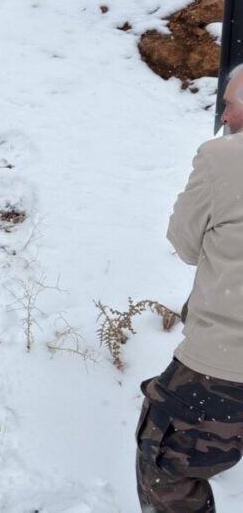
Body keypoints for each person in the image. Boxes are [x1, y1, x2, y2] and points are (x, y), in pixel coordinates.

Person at [136, 64, 243, 511]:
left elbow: (184, 243)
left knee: (165, 466)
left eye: (231, 105)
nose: (224, 116)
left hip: (223, 365)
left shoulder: (224, 158)